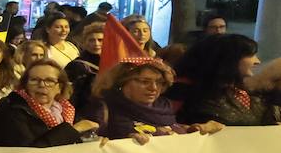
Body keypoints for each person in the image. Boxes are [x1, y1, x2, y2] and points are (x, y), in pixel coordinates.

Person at [91, 59, 224, 141]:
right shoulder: (105, 108)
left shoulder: (164, 108)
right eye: (144, 81)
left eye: (159, 82)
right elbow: (89, 144)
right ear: (122, 82)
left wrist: (196, 130)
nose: (153, 88)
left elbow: (173, 132)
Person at [0, 59, 99, 147]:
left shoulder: (66, 111)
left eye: (49, 81)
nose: (41, 85)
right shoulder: (11, 109)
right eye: (34, 80)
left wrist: (96, 143)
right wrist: (73, 130)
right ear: (25, 84)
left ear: (60, 87)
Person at [173, 33, 275, 126]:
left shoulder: (247, 91)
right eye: (250, 55)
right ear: (229, 58)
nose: (257, 61)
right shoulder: (187, 91)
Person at [65, 22, 105, 112]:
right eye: (91, 40)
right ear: (84, 42)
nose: (96, 43)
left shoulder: (112, 64)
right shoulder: (76, 65)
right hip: (83, 111)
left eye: (100, 40)